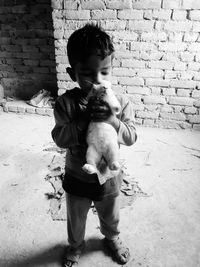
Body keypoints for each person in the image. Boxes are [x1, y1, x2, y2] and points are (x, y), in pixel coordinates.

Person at [51, 23, 137, 267]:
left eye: (105, 72)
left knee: (110, 214)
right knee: (76, 217)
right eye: (88, 74)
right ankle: (75, 245)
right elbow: (59, 138)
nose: (98, 81)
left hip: (108, 176)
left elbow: (131, 137)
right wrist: (82, 121)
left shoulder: (119, 102)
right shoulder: (65, 104)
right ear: (72, 74)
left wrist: (112, 120)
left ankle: (113, 238)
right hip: (78, 175)